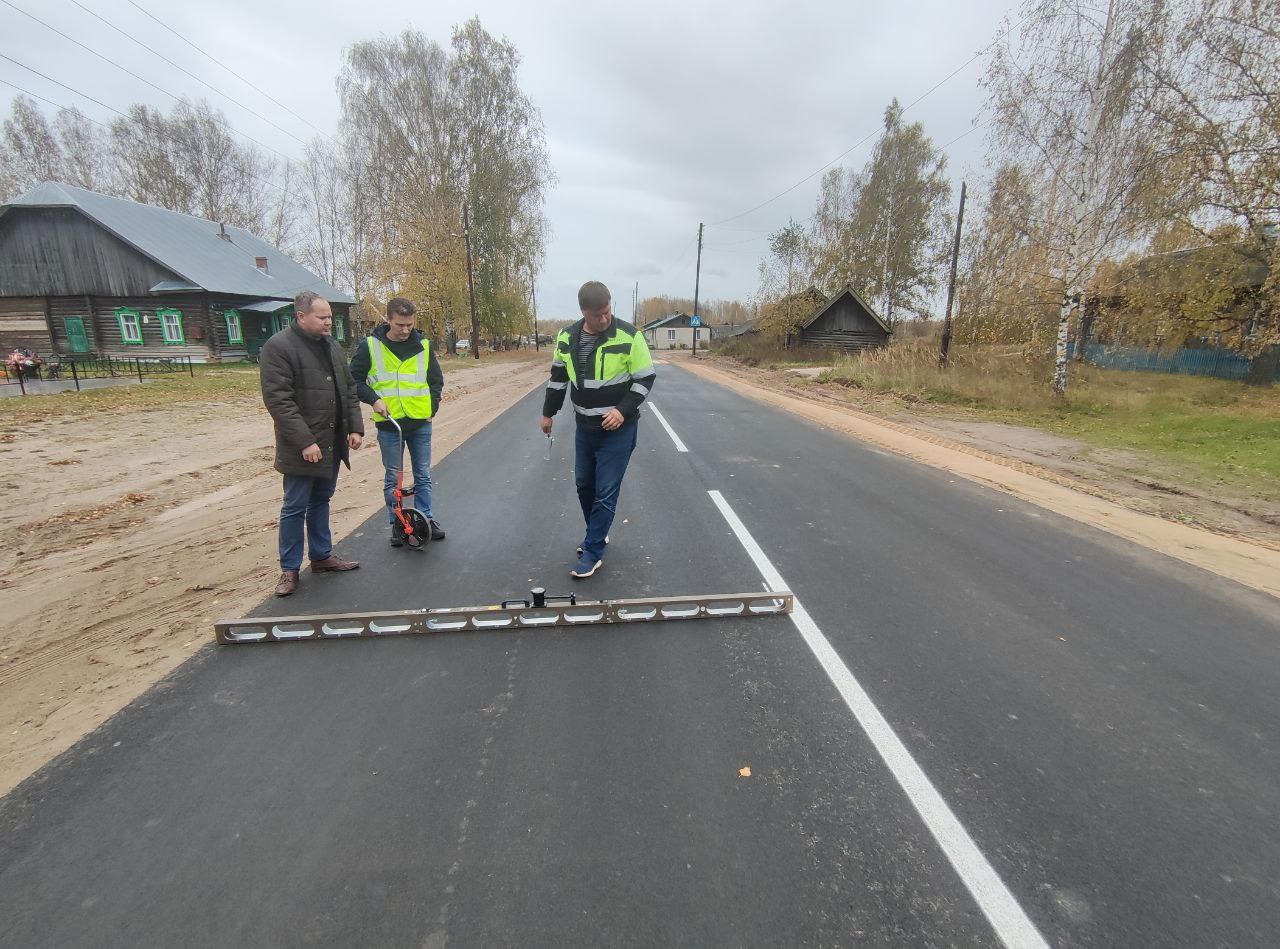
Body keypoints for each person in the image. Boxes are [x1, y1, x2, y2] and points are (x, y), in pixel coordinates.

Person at [541, 280, 656, 578]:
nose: (604, 319)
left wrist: (622, 410)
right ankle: (597, 532)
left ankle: (592, 550)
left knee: (605, 491)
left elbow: (645, 379)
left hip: (619, 430)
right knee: (584, 485)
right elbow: (557, 378)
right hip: (585, 428)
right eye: (597, 315)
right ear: (584, 312)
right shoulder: (566, 337)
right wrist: (548, 413)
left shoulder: (630, 336)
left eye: (607, 312)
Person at [259, 291, 364, 597]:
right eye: (323, 317)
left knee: (321, 500)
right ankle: (289, 570)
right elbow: (279, 401)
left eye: (330, 316)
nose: (329, 322)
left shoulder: (330, 346)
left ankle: (321, 556)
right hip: (302, 447)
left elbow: (348, 389)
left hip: (330, 442)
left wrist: (354, 428)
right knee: (294, 507)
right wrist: (305, 442)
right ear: (301, 316)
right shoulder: (278, 348)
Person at [349, 297, 446, 545]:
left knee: (423, 474)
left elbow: (435, 381)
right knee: (393, 477)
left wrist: (432, 408)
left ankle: (426, 518)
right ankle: (397, 524)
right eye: (400, 325)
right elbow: (354, 381)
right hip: (390, 424)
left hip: (420, 422)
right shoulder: (370, 346)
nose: (405, 330)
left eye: (409, 325)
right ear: (388, 320)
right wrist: (373, 399)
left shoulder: (423, 345)